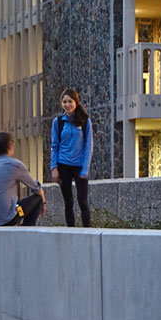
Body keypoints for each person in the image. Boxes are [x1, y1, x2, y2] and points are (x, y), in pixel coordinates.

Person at [0, 132, 46, 226]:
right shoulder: (15, 165)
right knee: (38, 199)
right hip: (8, 219)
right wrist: (44, 202)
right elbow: (36, 188)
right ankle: (27, 232)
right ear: (10, 145)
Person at [51, 88, 93, 227]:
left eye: (70, 101)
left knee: (83, 201)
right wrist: (54, 168)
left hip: (79, 166)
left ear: (76, 102)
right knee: (68, 202)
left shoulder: (84, 121)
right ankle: (71, 230)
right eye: (64, 102)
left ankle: (87, 231)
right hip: (63, 165)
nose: (67, 104)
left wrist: (85, 170)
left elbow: (89, 146)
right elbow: (54, 145)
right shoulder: (58, 122)